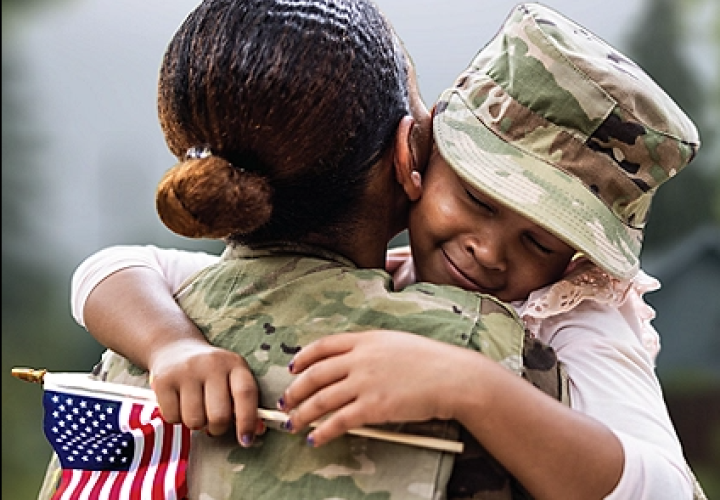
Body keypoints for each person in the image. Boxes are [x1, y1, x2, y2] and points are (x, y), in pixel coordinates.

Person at [59, 2, 705, 499]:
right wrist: (173, 345)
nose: (488, 250)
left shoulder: (579, 318)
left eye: (540, 241)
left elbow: (665, 487)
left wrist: (470, 385)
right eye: (478, 200)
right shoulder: (392, 272)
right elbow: (113, 271)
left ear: (578, 262)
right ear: (419, 155)